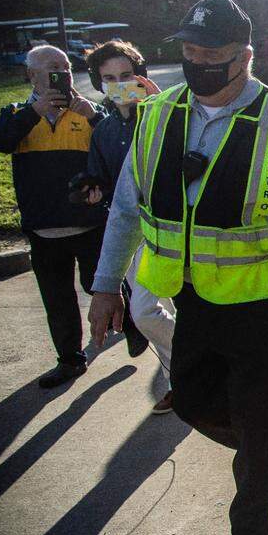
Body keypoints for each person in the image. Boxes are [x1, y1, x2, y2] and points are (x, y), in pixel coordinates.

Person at [86, 0, 268, 535]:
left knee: (256, 427)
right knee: (192, 401)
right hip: (194, 298)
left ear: (244, 57)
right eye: (189, 52)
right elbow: (126, 207)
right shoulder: (156, 115)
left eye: (211, 54)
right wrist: (106, 286)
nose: (198, 63)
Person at [0, 45, 108, 388]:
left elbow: (115, 143)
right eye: (54, 67)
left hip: (89, 223)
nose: (64, 73)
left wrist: (94, 116)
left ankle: (131, 323)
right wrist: (34, 112)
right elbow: (1, 141)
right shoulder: (16, 113)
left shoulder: (88, 110)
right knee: (58, 301)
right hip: (43, 228)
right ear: (32, 75)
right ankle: (70, 360)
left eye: (67, 67)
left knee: (100, 286)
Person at [84, 40, 177, 414]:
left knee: (155, 310)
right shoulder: (103, 131)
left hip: (171, 230)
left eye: (126, 76)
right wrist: (91, 190)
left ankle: (192, 368)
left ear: (140, 76)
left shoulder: (166, 114)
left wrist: (161, 110)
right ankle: (185, 375)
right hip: (133, 236)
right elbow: (103, 179)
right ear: (99, 83)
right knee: (151, 311)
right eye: (109, 79)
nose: (119, 84)